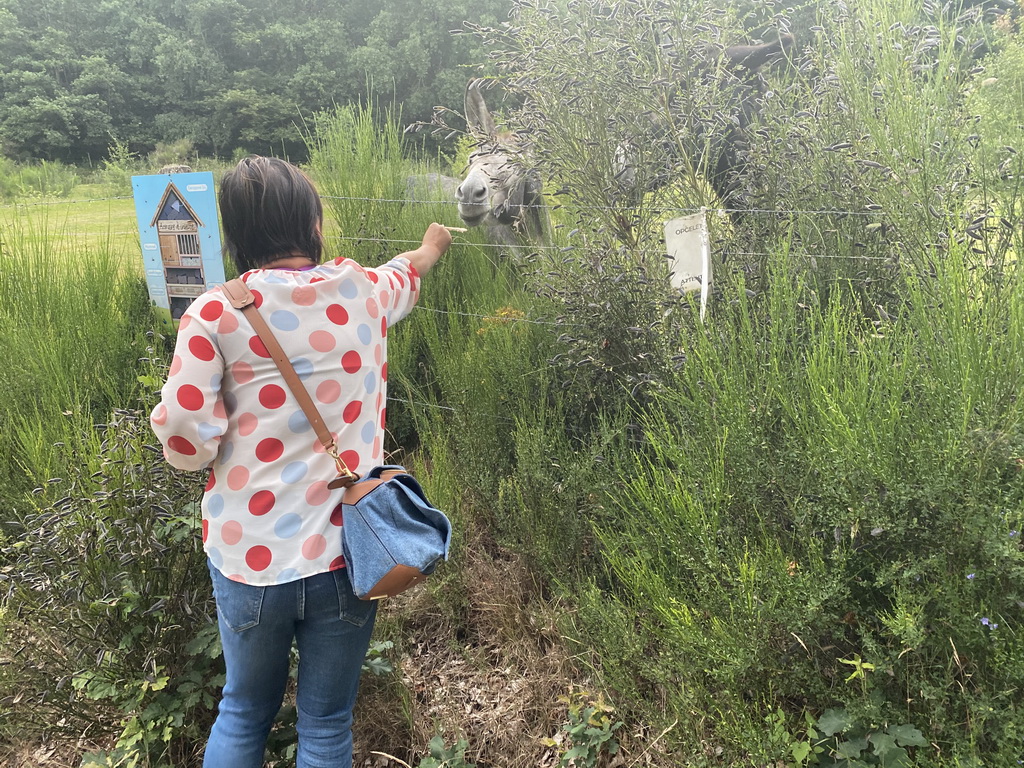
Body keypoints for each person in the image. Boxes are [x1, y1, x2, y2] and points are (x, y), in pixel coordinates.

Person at [150, 155, 452, 768]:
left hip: (249, 555)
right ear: (314, 224)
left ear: (233, 237)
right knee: (326, 724)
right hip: (347, 553)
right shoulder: (364, 292)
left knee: (242, 712)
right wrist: (432, 245)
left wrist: (202, 447)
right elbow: (408, 271)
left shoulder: (214, 314)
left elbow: (185, 433)